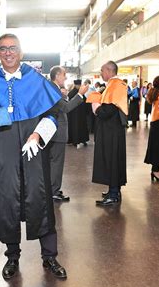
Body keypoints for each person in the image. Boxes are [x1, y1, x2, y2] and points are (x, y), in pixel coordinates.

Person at [0, 33, 67, 280]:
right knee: (7, 200)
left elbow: (54, 112)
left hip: (32, 146)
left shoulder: (35, 79)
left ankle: (50, 256)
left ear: (21, 52)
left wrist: (38, 134)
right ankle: (12, 256)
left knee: (40, 197)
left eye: (12, 48)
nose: (8, 52)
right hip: (2, 149)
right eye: (2, 49)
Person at [48, 66, 88, 202]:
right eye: (64, 75)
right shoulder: (53, 89)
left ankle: (52, 189)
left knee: (54, 163)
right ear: (57, 75)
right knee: (56, 163)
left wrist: (64, 95)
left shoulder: (52, 88)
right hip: (57, 132)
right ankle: (54, 191)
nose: (65, 77)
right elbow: (66, 108)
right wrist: (80, 94)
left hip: (53, 131)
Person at [91, 61, 128, 206]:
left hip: (111, 130)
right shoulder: (115, 85)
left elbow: (108, 111)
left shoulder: (116, 85)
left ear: (109, 70)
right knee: (113, 159)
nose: (101, 73)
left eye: (102, 70)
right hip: (112, 129)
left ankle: (113, 193)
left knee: (112, 159)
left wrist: (96, 106)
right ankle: (114, 190)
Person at [144, 76, 159, 182]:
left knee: (155, 146)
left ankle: (155, 169)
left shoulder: (154, 92)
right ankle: (155, 170)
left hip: (155, 121)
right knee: (158, 147)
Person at [67, 80, 89, 147]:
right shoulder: (71, 93)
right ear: (75, 85)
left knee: (82, 126)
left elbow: (85, 101)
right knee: (75, 126)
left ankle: (83, 140)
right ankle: (75, 140)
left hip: (81, 113)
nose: (79, 86)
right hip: (74, 114)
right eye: (78, 85)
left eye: (80, 85)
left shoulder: (80, 93)